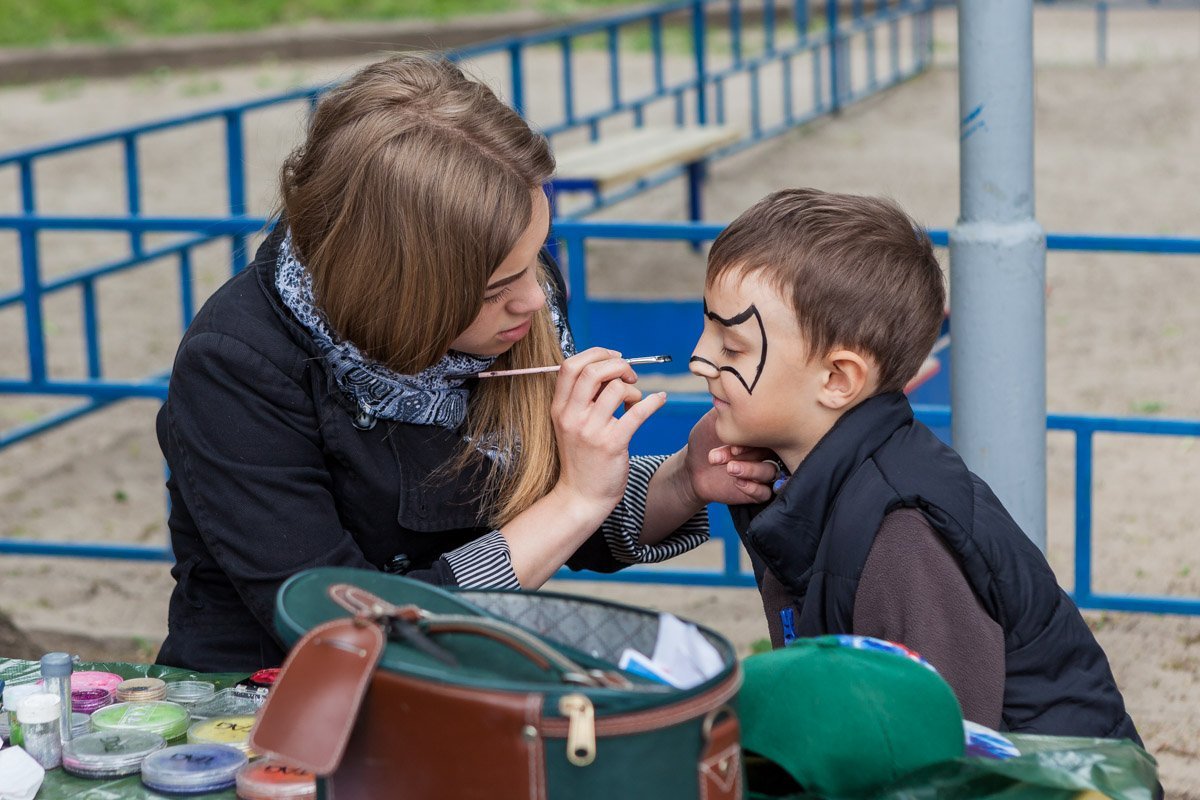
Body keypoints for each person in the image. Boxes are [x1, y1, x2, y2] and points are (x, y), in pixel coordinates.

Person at [155, 55, 777, 672]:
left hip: (453, 690)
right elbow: (347, 632)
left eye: (535, 257)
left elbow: (537, 509)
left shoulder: (512, 295)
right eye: (492, 289)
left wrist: (681, 480)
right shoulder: (237, 368)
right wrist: (575, 500)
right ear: (397, 288)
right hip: (262, 711)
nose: (534, 301)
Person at [688, 188, 1141, 742]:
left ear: (837, 380)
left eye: (731, 347)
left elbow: (941, 756)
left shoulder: (900, 536)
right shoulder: (813, 481)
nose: (699, 358)